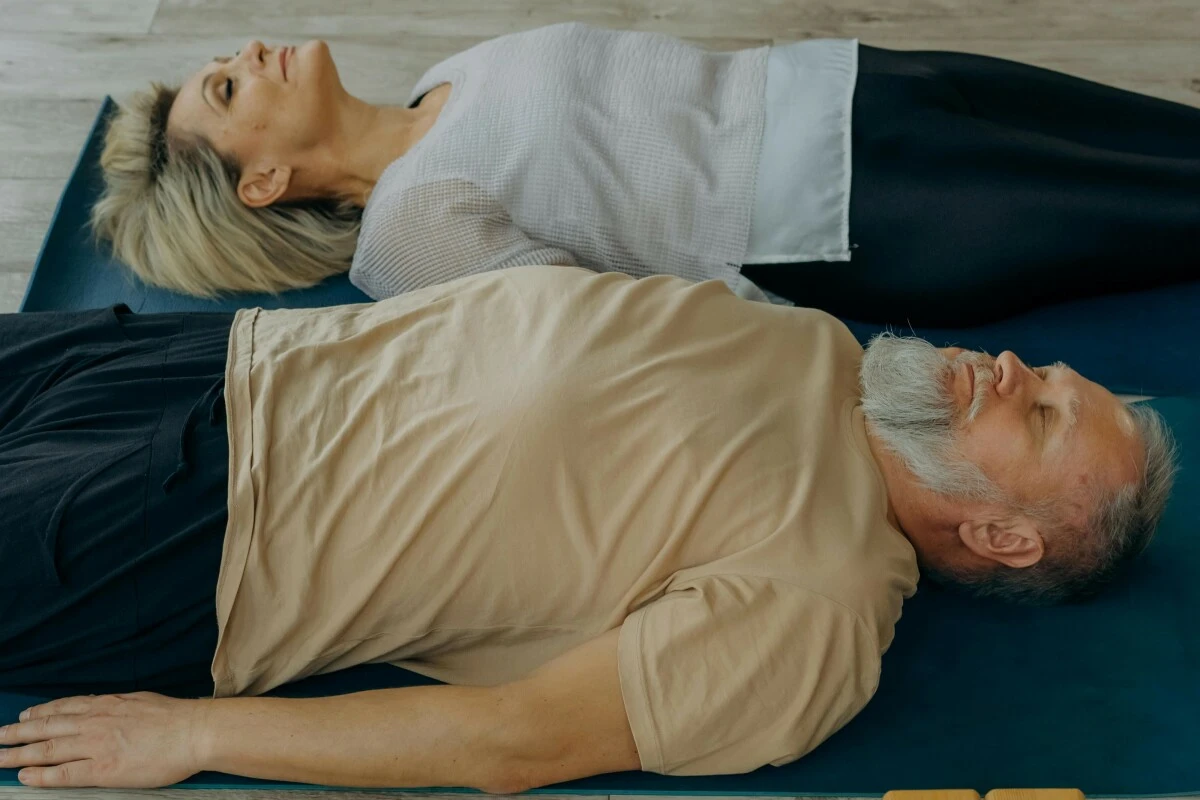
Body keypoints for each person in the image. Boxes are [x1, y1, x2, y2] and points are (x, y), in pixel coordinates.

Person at [0, 265, 1177, 790]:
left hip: (200, 532)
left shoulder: (818, 608)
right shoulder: (831, 350)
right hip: (209, 354)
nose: (1014, 364)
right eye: (1047, 373)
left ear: (1005, 536)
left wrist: (198, 737)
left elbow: (511, 742)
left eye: (1038, 410)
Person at [92, 24, 1200, 325]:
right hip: (859, 219)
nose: (245, 56)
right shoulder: (409, 239)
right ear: (264, 182)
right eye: (227, 93)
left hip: (862, 87)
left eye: (224, 65)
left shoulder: (452, 75)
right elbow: (622, 331)